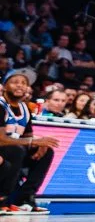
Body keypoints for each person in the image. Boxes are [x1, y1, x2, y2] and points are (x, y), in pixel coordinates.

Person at [0, 70, 54, 212]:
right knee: (16, 150)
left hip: (15, 151)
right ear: (4, 86)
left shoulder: (25, 108)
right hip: (4, 150)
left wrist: (39, 143)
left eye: (24, 83)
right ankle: (3, 198)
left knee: (46, 152)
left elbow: (27, 136)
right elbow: (1, 139)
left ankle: (24, 198)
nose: (20, 85)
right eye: (15, 82)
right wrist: (32, 141)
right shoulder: (1, 105)